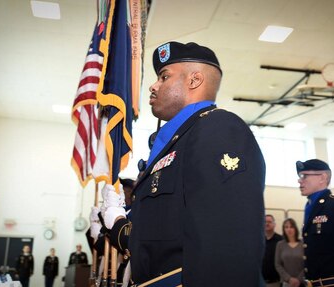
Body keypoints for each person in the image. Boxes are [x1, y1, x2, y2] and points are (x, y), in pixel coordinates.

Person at [101, 41, 266, 286]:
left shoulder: (218, 129)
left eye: (164, 76)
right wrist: (118, 226)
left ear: (194, 80)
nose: (153, 85)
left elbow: (228, 246)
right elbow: (161, 236)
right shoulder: (180, 140)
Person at [274, 218, 304, 287]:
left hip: (302, 282)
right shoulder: (280, 244)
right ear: (284, 230)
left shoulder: (303, 244)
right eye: (286, 227)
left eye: (291, 227)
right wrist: (289, 279)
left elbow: (307, 263)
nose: (289, 229)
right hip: (286, 283)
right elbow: (277, 264)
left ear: (295, 228)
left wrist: (298, 279)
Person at [263, 214, 283, 287]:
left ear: (274, 224)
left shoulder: (281, 240)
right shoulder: (258, 240)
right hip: (260, 281)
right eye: (265, 222)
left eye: (269, 222)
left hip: (276, 282)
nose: (267, 224)